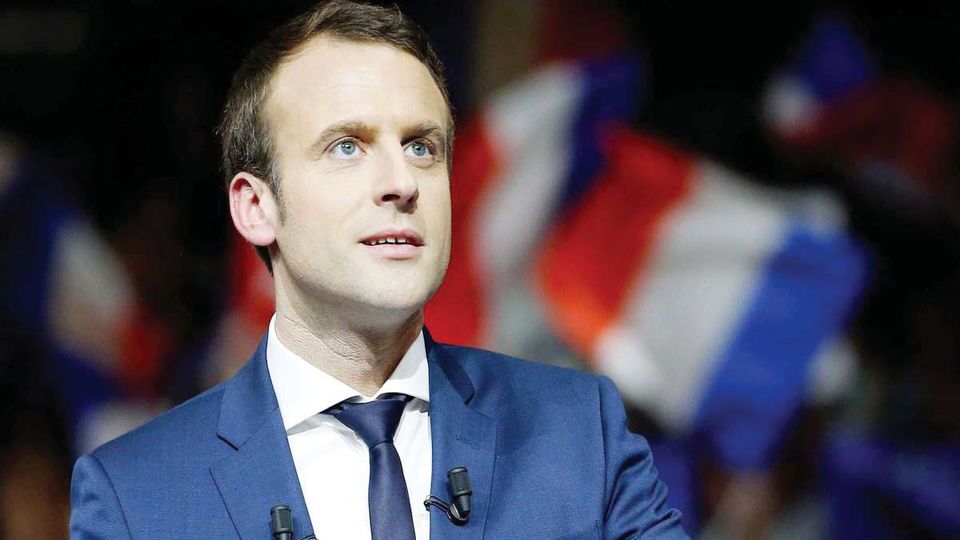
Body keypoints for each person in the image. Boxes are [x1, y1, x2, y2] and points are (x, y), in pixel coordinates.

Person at [69, 1, 688, 538]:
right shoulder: (136, 496)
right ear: (256, 208)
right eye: (347, 146)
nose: (401, 182)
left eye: (422, 147)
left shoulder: (580, 432)